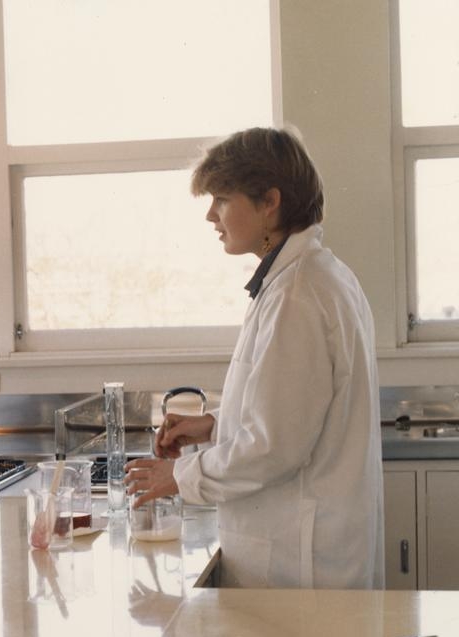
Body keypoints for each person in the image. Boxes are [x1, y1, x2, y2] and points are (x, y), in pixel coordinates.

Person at [126, 127, 384, 589]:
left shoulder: (299, 294)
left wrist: (180, 477)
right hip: (303, 546)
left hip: (299, 563)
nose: (211, 215)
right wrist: (214, 425)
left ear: (269, 202)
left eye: (222, 199)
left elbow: (274, 447)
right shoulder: (307, 278)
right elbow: (291, 414)